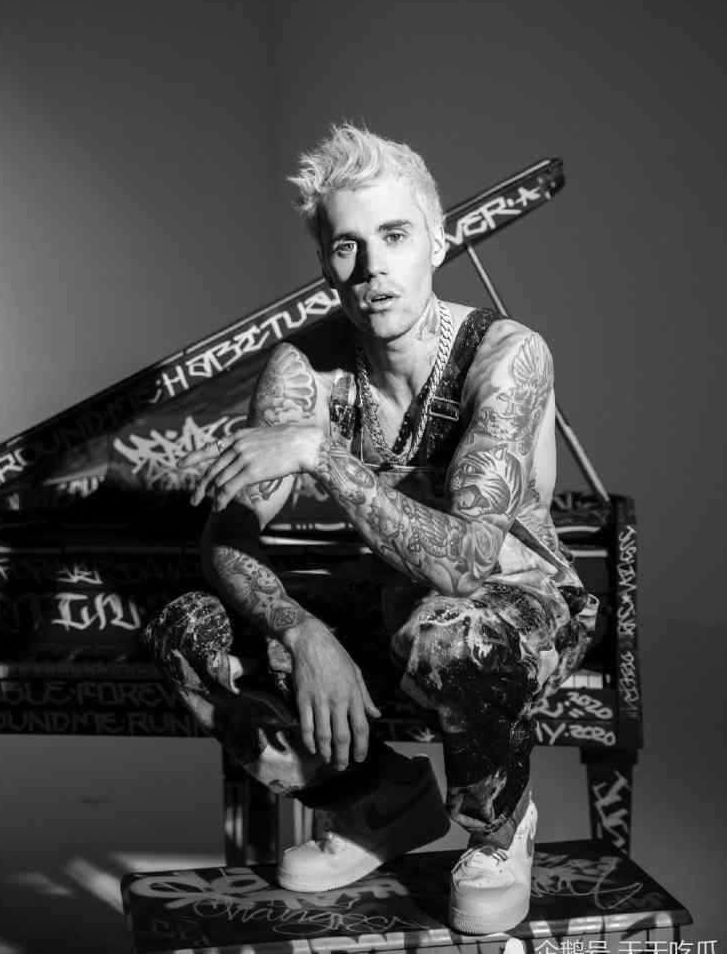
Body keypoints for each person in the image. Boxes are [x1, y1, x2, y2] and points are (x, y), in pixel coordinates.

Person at [144, 124, 597, 935]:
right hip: (397, 606)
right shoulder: (305, 369)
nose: (372, 268)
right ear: (325, 262)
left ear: (437, 240)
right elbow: (226, 535)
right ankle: (381, 801)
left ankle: (498, 827)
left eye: (393, 235)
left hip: (519, 610)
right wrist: (303, 631)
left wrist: (320, 452)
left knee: (446, 632)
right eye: (346, 246)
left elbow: (465, 564)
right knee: (189, 631)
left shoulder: (507, 356)